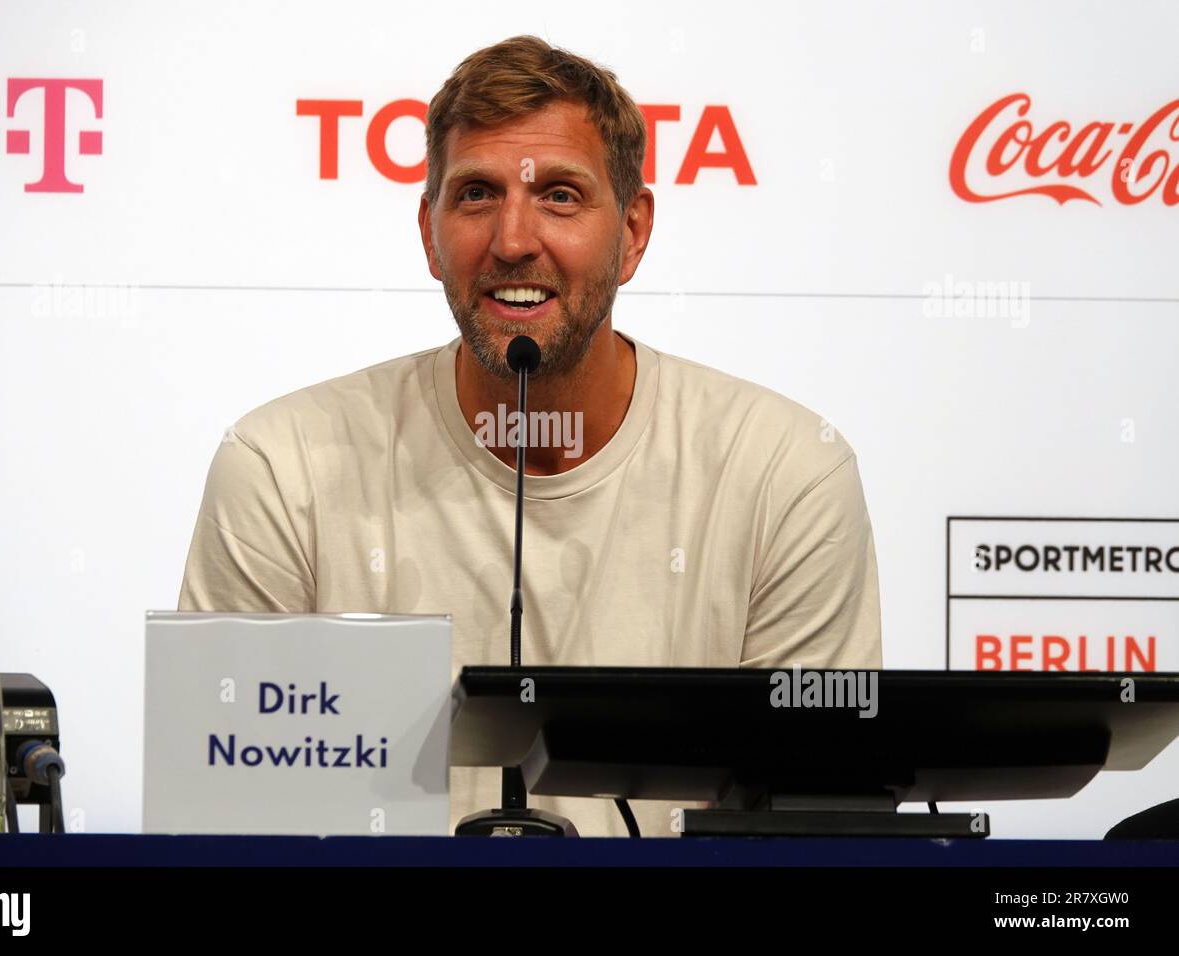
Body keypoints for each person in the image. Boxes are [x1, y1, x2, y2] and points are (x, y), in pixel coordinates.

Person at [178, 34, 881, 837]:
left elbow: (807, 836)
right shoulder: (281, 468)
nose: (512, 241)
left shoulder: (786, 473)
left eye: (559, 195)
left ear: (634, 231)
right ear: (429, 230)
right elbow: (230, 829)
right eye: (476, 194)